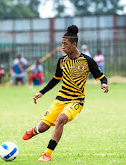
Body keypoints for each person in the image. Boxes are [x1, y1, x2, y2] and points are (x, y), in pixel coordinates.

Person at [22, 25, 109, 162]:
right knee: (43, 127)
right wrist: (41, 92)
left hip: (76, 100)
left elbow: (101, 76)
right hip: (60, 99)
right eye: (62, 44)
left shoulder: (87, 61)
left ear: (74, 44)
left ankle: (47, 154)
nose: (62, 47)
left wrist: (104, 83)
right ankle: (34, 130)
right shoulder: (62, 61)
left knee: (61, 119)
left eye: (65, 44)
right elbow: (56, 79)